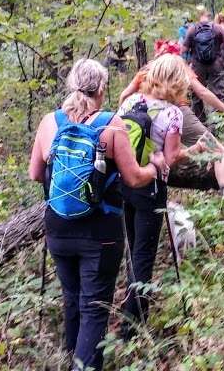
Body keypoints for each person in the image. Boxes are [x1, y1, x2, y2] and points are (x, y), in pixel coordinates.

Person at [28, 59, 165, 371]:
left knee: (73, 297)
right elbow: (133, 178)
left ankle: (71, 356)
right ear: (102, 89)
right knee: (93, 307)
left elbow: (35, 172)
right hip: (100, 234)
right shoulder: (111, 124)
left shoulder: (50, 122)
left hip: (58, 228)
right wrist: (155, 166)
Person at [116, 54, 188, 336]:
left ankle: (133, 310)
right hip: (151, 188)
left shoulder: (131, 102)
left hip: (125, 181)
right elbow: (170, 158)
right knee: (144, 255)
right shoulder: (173, 114)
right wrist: (190, 152)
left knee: (133, 250)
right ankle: (131, 328)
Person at [120, 41, 224, 196]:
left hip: (141, 113)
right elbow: (203, 92)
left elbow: (124, 95)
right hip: (178, 114)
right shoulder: (179, 68)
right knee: (218, 151)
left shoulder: (147, 70)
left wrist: (127, 112)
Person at [182, 9, 224, 120]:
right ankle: (218, 121)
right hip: (216, 64)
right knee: (218, 92)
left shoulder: (192, 29)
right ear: (208, 16)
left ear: (197, 16)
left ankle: (200, 120)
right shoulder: (218, 28)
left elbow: (183, 49)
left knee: (196, 93)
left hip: (197, 66)